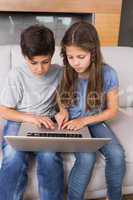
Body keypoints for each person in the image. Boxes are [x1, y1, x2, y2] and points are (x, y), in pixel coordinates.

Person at [58, 21, 126, 200]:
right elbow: (60, 97)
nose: (75, 63)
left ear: (93, 53)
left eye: (81, 57)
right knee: (87, 158)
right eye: (70, 57)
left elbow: (112, 111)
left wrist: (85, 121)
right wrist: (63, 110)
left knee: (117, 155)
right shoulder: (66, 71)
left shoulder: (108, 74)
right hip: (73, 124)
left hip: (94, 120)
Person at [0, 25, 68, 200]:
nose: (40, 69)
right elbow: (4, 110)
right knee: (13, 156)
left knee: (49, 157)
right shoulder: (16, 75)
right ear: (25, 57)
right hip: (19, 121)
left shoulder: (60, 72)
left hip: (47, 122)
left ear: (52, 55)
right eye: (34, 63)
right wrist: (30, 118)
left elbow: (62, 97)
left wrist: (63, 110)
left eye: (45, 62)